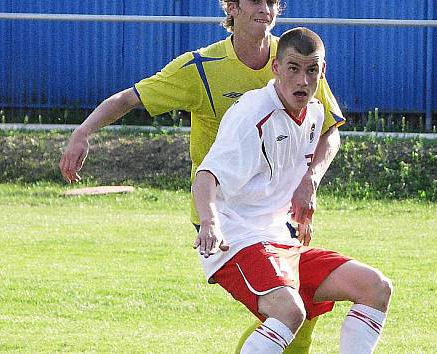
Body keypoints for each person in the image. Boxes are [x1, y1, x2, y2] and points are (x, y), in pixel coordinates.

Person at [58, 1, 344, 351]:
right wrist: (82, 133)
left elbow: (330, 128)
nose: (265, 8)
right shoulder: (202, 67)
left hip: (275, 213)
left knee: (299, 315)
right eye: (255, 0)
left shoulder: (295, 58)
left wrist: (309, 180)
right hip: (225, 216)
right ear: (233, 7)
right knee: (287, 312)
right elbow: (131, 98)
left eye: (271, 1)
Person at [192, 27, 392, 354]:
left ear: (322, 72)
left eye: (311, 70)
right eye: (293, 69)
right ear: (276, 69)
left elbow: (314, 152)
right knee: (289, 311)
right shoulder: (252, 113)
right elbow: (206, 176)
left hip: (280, 239)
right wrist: (209, 222)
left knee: (375, 288)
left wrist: (305, 194)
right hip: (237, 239)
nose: (303, 80)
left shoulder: (314, 113)